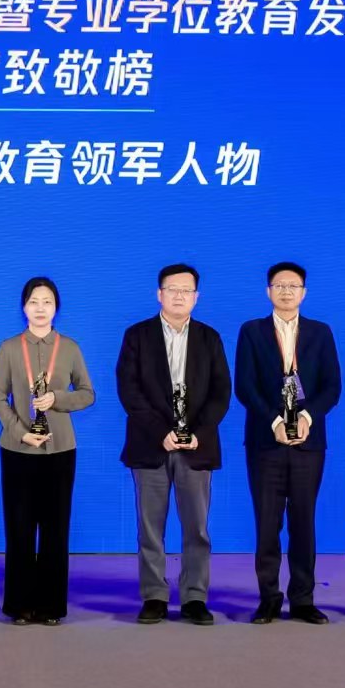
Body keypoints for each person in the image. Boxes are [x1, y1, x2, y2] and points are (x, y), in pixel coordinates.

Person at [114, 263, 231, 626]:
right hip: (150, 446)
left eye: (186, 290)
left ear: (196, 297)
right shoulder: (137, 335)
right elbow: (129, 390)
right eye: (172, 289)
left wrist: (199, 432)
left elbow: (221, 392)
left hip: (196, 446)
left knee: (197, 527)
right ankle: (154, 595)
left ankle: (195, 596)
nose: (179, 296)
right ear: (159, 294)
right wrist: (158, 431)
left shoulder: (210, 338)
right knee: (150, 527)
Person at [234, 262, 342, 625]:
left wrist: (307, 417)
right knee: (267, 523)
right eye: (279, 285)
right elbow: (245, 386)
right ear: (268, 291)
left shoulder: (320, 332)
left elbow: (332, 386)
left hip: (309, 443)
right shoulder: (251, 331)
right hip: (266, 441)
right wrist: (276, 421)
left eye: (293, 286)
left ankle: (303, 599)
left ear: (304, 293)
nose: (286, 291)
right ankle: (268, 598)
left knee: (303, 522)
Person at [0, 277, 95, 626]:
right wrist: (20, 432)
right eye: (34, 301)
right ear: (24, 307)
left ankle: (50, 606)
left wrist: (57, 398)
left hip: (60, 449)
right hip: (17, 450)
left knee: (55, 528)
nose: (40, 308)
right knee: (19, 528)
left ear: (56, 308)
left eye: (47, 301)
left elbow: (87, 393)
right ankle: (19, 605)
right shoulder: (8, 348)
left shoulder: (70, 348)